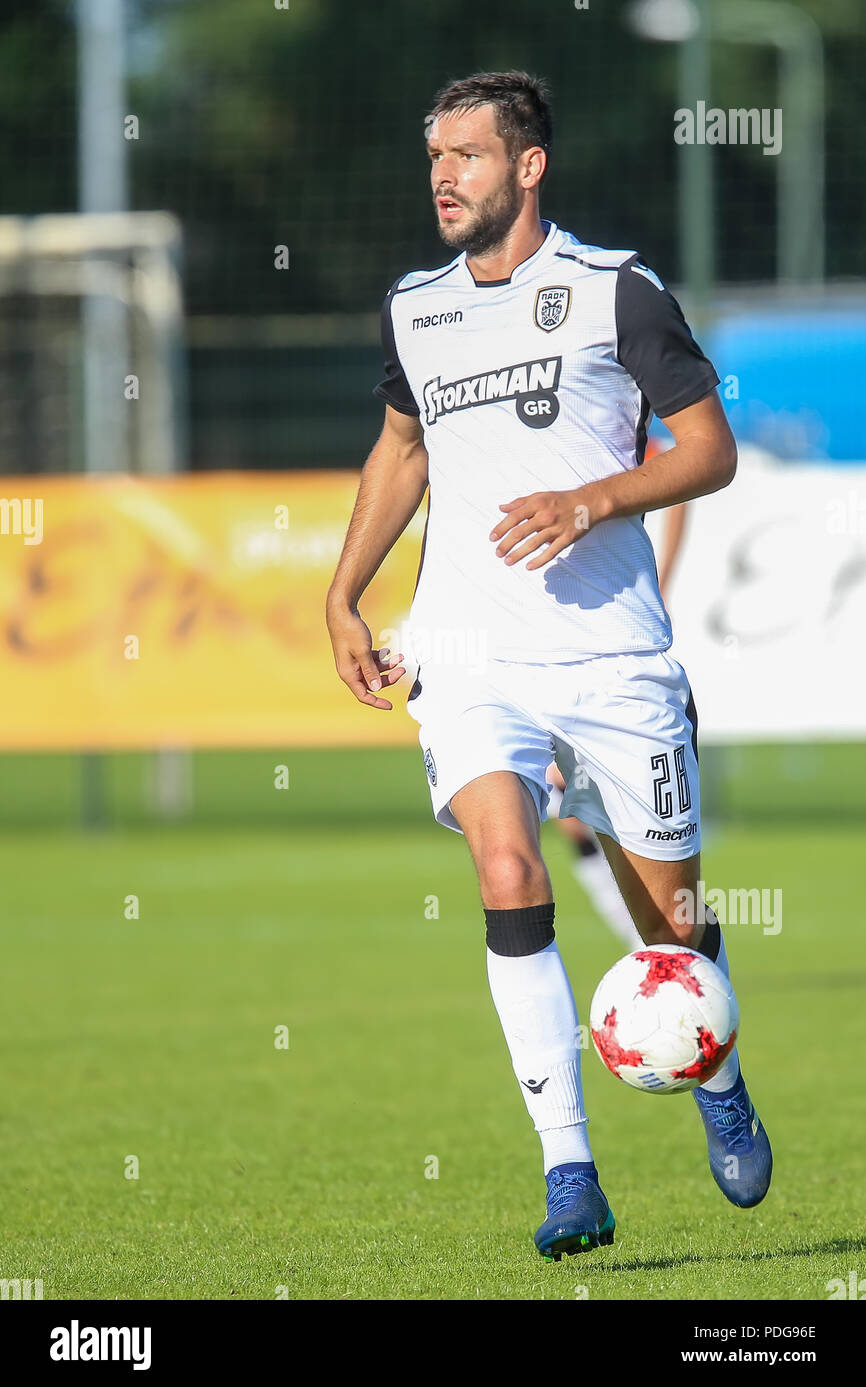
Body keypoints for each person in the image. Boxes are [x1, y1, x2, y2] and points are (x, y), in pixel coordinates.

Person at [326, 71, 771, 1261]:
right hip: (467, 654)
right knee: (508, 863)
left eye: (466, 156)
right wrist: (340, 592)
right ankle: (567, 1167)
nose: (442, 178)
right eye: (433, 159)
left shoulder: (612, 290)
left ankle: (710, 1066)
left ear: (527, 166)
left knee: (665, 921)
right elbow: (399, 451)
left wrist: (593, 496)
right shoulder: (412, 308)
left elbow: (709, 450)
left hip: (614, 652)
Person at [547, 495, 688, 952]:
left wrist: (661, 576)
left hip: (613, 652)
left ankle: (662, 937)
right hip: (539, 652)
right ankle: (640, 935)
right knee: (569, 808)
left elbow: (672, 465)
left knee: (618, 811)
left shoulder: (606, 435)